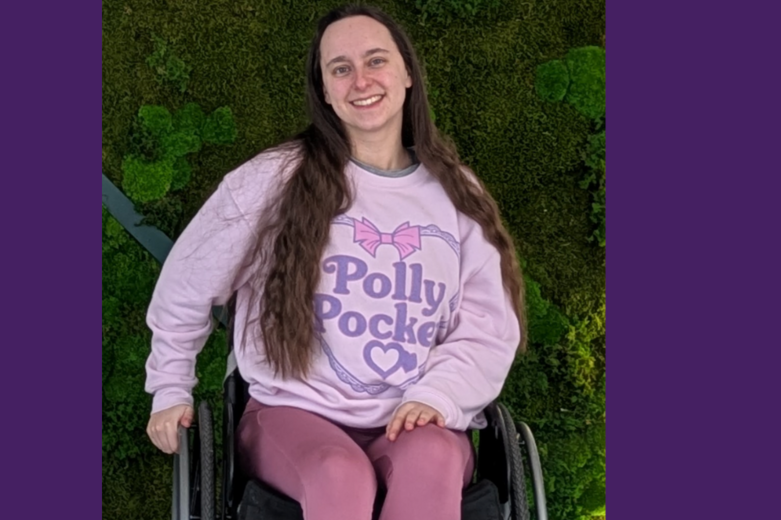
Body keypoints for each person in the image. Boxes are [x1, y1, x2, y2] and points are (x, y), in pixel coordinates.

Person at [143, 4, 527, 519]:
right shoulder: (276, 178)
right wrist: (170, 386)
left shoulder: (458, 194)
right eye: (340, 68)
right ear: (324, 90)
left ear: (407, 73)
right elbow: (187, 282)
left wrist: (439, 395)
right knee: (339, 473)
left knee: (432, 456)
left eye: (376, 61)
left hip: (417, 414)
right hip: (293, 413)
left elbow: (488, 328)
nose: (360, 80)